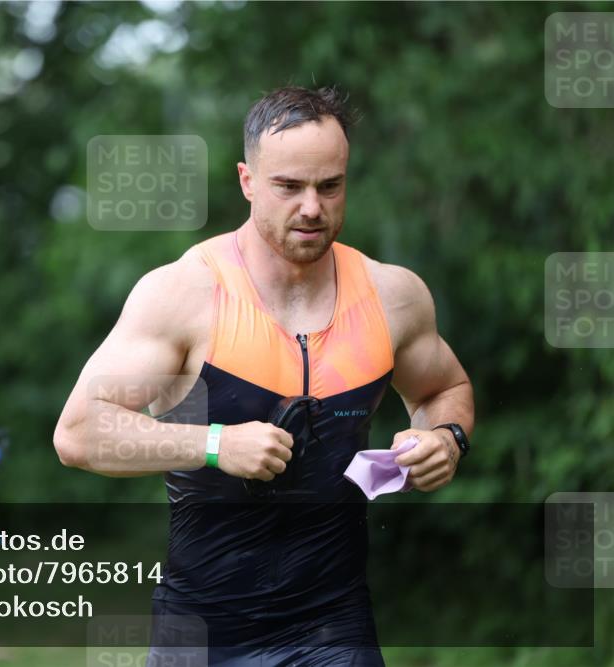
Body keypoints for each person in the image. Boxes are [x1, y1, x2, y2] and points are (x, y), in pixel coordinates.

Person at [54, 86, 475, 666]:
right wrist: (213, 443)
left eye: (330, 186)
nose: (312, 207)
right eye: (289, 186)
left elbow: (443, 389)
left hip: (335, 628)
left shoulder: (391, 296)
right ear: (248, 181)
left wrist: (444, 438)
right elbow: (78, 433)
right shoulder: (184, 294)